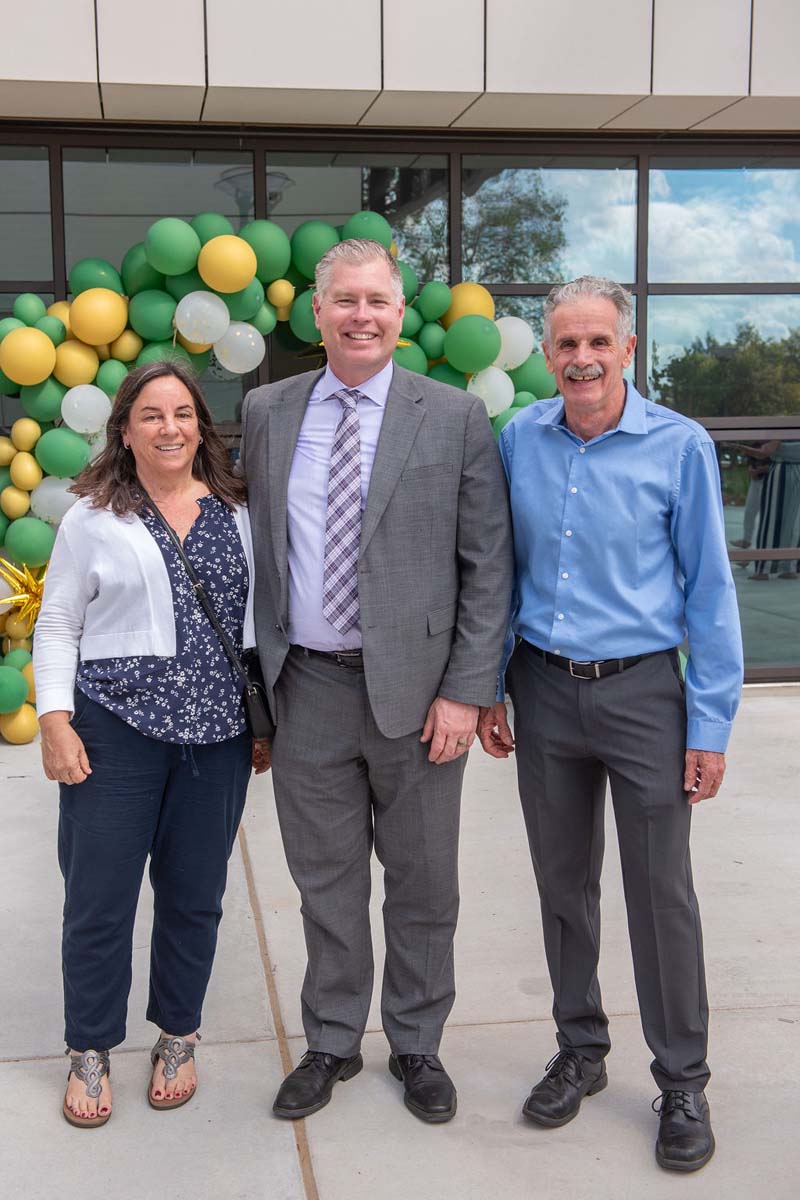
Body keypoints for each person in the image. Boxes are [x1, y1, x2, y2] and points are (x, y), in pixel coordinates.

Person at [240, 238, 512, 1123]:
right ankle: (330, 1040)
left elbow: (488, 563)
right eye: (345, 301)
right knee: (326, 881)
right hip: (308, 688)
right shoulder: (267, 409)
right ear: (315, 315)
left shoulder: (454, 415)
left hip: (422, 693)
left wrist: (468, 690)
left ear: (400, 315)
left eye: (378, 302)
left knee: (425, 880)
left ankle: (418, 1041)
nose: (362, 316)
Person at [478, 277, 743, 1172]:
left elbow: (710, 593)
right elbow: (499, 574)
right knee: (563, 886)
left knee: (661, 893)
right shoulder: (521, 438)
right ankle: (581, 1050)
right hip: (543, 690)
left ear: (628, 349)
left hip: (644, 698)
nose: (581, 359)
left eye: (598, 342)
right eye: (566, 345)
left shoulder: (680, 446)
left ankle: (683, 1080)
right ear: (547, 355)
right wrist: (494, 687)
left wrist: (709, 724)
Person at [34, 360, 269, 1128]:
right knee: (99, 900)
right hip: (113, 732)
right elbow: (59, 623)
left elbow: (260, 624)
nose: (169, 428)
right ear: (125, 430)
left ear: (201, 424)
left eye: (182, 413)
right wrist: (55, 719)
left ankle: (178, 1035)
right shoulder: (92, 515)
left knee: (195, 899)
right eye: (151, 415)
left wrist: (264, 721)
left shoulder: (239, 509)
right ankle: (91, 1048)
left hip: (217, 737)